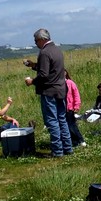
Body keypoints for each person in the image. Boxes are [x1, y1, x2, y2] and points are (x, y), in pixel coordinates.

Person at [24, 28, 73, 157]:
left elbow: (44, 75)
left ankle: (57, 151)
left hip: (49, 91)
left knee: (52, 121)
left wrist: (32, 82)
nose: (35, 43)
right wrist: (33, 65)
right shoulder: (57, 50)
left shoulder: (44, 52)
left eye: (36, 41)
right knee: (62, 119)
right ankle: (67, 148)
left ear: (41, 39)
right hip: (60, 89)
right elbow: (51, 70)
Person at [64, 70, 86, 147]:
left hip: (70, 108)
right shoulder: (58, 84)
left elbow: (76, 94)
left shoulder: (70, 83)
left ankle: (81, 140)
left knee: (72, 125)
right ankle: (74, 142)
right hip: (62, 109)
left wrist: (76, 105)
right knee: (66, 126)